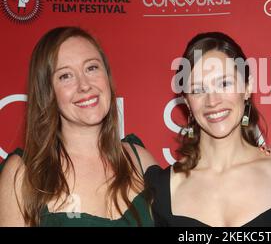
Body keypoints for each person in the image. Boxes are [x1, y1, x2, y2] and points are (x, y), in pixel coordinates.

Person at [0, 27, 156, 226]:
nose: (84, 85)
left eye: (91, 68)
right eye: (66, 76)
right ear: (48, 92)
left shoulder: (139, 159)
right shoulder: (22, 175)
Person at [146, 32, 271, 227]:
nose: (213, 101)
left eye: (224, 84)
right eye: (198, 90)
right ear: (187, 101)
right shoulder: (164, 188)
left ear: (248, 87)